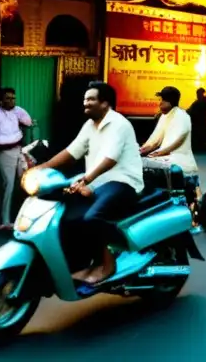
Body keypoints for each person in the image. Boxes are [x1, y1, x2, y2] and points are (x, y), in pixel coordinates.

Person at [35, 81, 144, 285]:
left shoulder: (118, 124)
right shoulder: (89, 125)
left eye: (91, 99)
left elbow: (110, 159)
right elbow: (71, 152)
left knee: (92, 218)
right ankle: (81, 261)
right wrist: (42, 167)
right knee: (65, 214)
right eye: (85, 99)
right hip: (99, 182)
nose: (86, 102)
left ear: (105, 103)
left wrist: (85, 180)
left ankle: (108, 265)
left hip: (122, 181)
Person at [0, 87, 33, 231]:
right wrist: (17, 137)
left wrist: (19, 112)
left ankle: (22, 217)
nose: (11, 101)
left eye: (13, 98)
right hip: (5, 153)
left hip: (19, 151)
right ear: (1, 101)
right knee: (9, 186)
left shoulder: (16, 112)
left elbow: (29, 122)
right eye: (8, 98)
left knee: (25, 183)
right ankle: (5, 221)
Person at [140, 86, 198, 175]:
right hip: (165, 157)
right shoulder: (165, 116)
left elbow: (178, 141)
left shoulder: (182, 116)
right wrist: (140, 151)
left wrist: (158, 153)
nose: (160, 103)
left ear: (170, 102)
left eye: (162, 100)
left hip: (178, 160)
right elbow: (155, 141)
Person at [188, 87, 206, 152]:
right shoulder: (205, 102)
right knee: (202, 138)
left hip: (196, 124)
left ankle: (198, 148)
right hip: (201, 124)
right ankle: (202, 148)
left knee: (197, 138)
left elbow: (189, 112)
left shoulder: (196, 103)